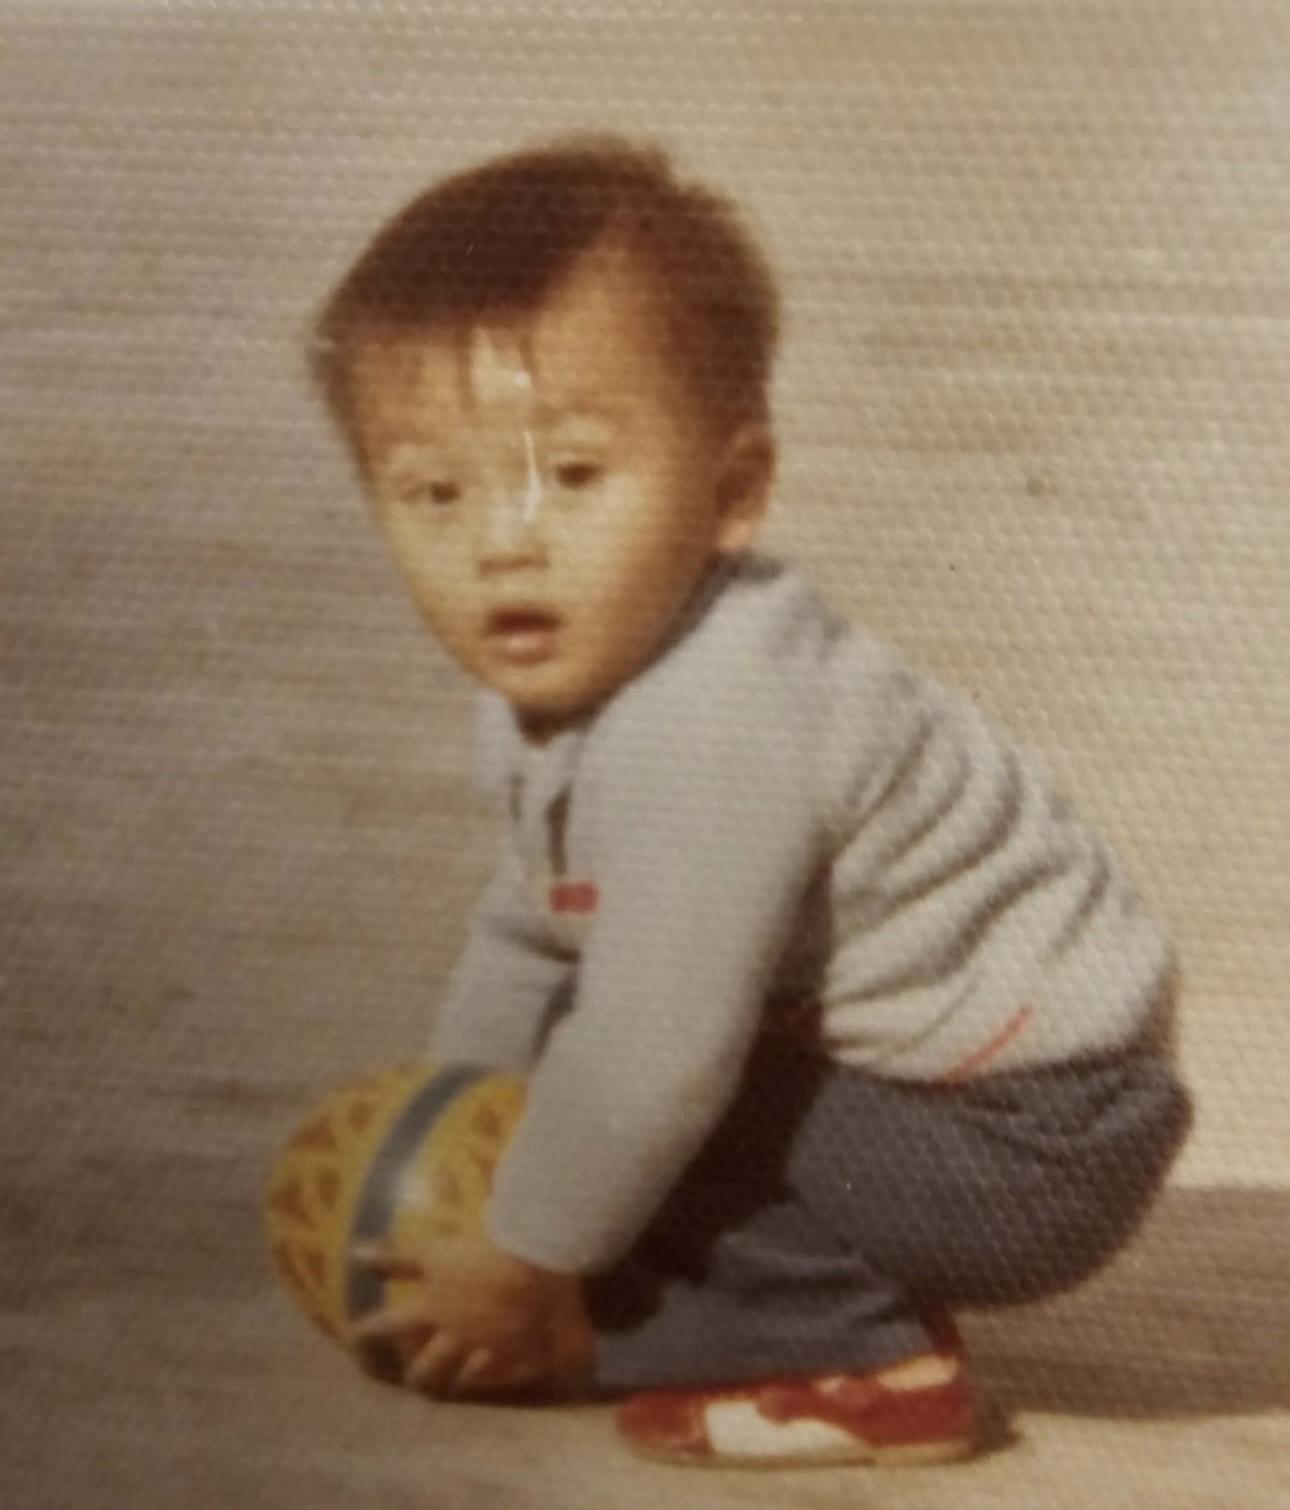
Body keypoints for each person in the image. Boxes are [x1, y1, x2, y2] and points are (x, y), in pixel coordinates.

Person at [306, 134, 1190, 1467]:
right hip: (949, 1104)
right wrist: (456, 1135)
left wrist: (521, 1257)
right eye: (434, 490)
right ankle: (743, 1279)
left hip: (1033, 1140)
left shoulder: (717, 720)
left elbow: (655, 1054)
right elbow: (529, 930)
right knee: (604, 1089)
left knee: (654, 1083)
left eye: (574, 474)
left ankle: (857, 1354)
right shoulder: (558, 690)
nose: (502, 540)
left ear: (732, 492)